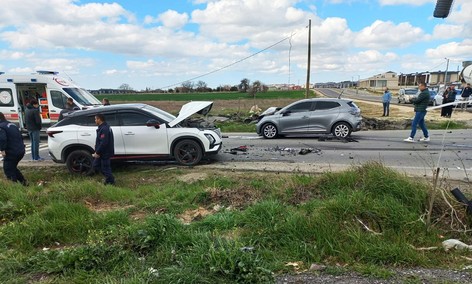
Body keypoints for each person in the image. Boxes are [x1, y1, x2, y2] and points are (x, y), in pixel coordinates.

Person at [0, 112, 27, 185]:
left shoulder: (1, 127)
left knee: (8, 169)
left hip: (12, 152)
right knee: (12, 168)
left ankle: (14, 186)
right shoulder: (12, 124)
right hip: (20, 150)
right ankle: (24, 183)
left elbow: (2, 139)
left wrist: (2, 150)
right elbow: (20, 136)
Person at [93, 114, 115, 185]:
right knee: (96, 165)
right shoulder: (102, 128)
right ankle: (108, 178)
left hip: (105, 152)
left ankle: (110, 181)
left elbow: (104, 142)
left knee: (105, 168)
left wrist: (98, 152)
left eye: (96, 119)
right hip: (101, 152)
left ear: (99, 119)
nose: (95, 121)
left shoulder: (104, 128)